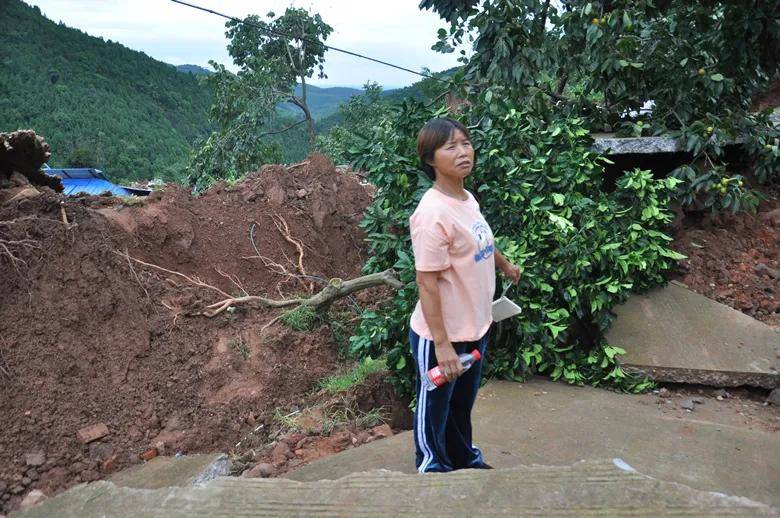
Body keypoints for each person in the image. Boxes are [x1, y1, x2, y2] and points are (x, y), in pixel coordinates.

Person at [409, 117, 521, 473]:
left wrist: (504, 265)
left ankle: (463, 458)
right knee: (436, 406)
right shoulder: (432, 213)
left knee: (460, 404)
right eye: (450, 146)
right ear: (430, 159)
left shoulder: (465, 198)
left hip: (475, 327)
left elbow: (480, 241)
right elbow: (426, 282)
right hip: (442, 335)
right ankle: (432, 466)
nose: (463, 152)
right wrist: (441, 346)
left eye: (466, 143)